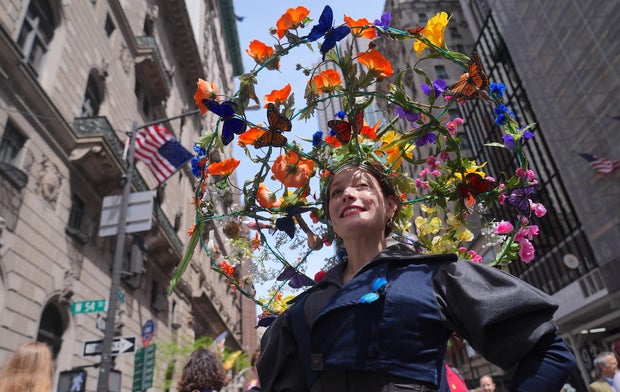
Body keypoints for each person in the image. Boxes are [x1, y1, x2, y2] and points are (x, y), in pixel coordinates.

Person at [256, 161, 576, 391]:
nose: (347, 195)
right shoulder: (300, 312)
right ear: (332, 219)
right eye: (337, 192)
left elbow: (548, 353)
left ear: (391, 205)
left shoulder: (438, 277)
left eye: (362, 186)